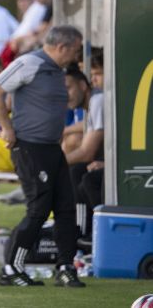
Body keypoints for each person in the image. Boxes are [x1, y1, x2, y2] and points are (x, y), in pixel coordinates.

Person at [0, 25, 86, 287]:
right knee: (39, 208)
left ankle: (65, 267)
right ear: (62, 47)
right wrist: (6, 128)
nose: (77, 56)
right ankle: (11, 268)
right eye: (75, 50)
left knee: (66, 208)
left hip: (53, 148)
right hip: (30, 147)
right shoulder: (29, 62)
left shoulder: (57, 70)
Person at [65, 67, 104, 247]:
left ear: (82, 85)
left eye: (68, 88)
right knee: (77, 171)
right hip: (108, 162)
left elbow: (87, 151)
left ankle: (100, 235)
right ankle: (80, 231)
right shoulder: (91, 104)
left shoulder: (98, 100)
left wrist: (53, 163)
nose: (65, 95)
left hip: (126, 164)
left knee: (87, 179)